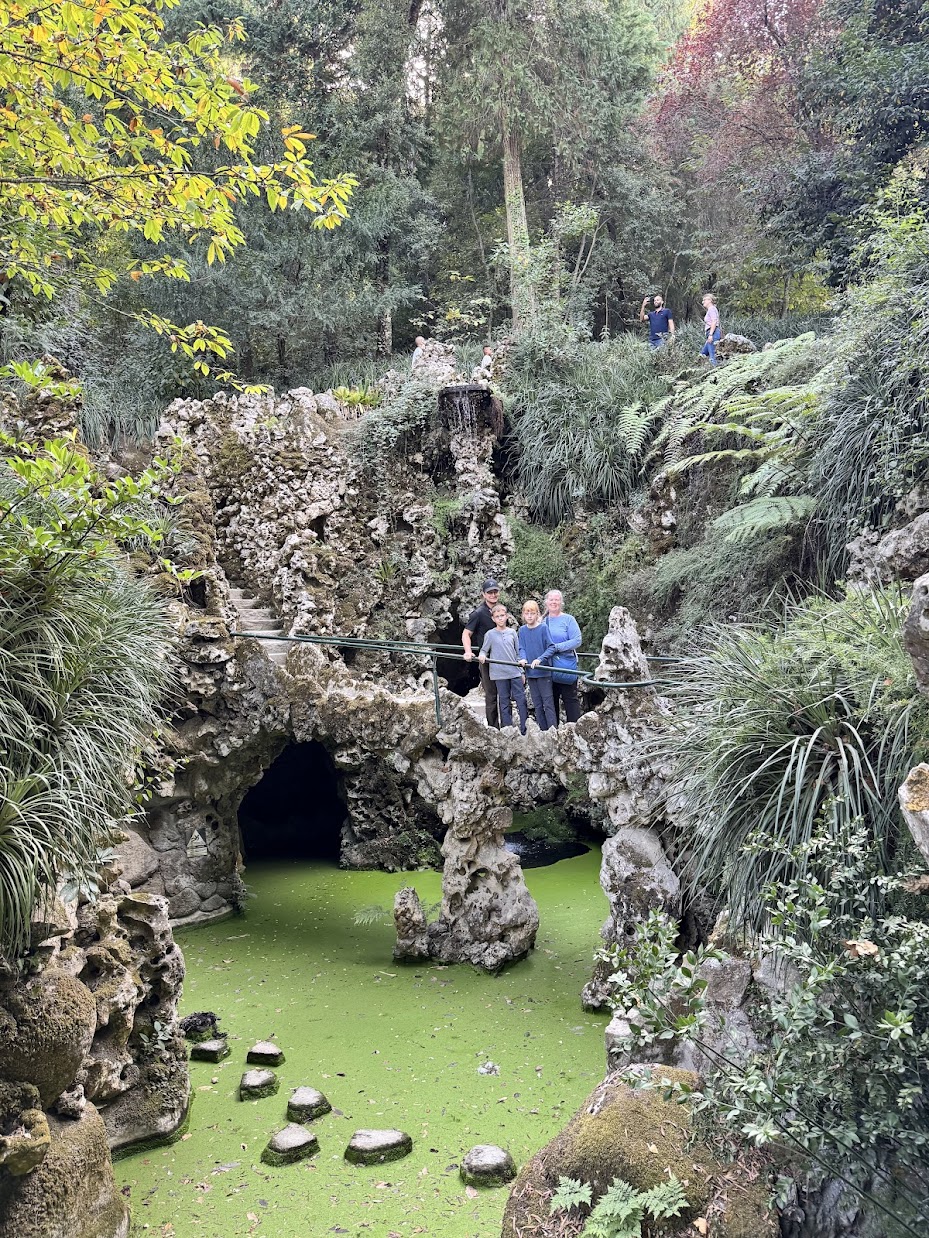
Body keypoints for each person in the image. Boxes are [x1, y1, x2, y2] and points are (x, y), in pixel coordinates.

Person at [478, 604, 528, 734]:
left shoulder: (512, 632)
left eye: (502, 615)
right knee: (504, 702)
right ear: (493, 619)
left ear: (506, 616)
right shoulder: (490, 634)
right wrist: (482, 656)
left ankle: (525, 729)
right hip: (499, 674)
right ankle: (507, 730)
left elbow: (518, 653)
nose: (500, 618)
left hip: (514, 672)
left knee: (521, 700)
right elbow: (484, 650)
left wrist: (521, 671)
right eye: (497, 616)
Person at [462, 579, 504, 727]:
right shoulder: (478, 613)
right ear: (484, 594)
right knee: (491, 694)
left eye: (495, 591)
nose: (493, 595)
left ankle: (507, 726)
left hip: (503, 658)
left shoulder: (501, 611)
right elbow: (466, 634)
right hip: (487, 659)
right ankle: (493, 727)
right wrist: (468, 651)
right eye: (489, 592)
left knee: (505, 694)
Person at [540, 590, 582, 725]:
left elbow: (577, 640)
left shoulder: (568, 620)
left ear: (561, 602)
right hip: (548, 666)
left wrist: (557, 647)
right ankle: (553, 730)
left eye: (557, 600)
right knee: (550, 700)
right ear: (546, 602)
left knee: (570, 698)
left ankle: (573, 728)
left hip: (565, 665)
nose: (554, 602)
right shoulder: (542, 621)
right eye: (551, 599)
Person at [518, 599, 557, 731]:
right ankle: (542, 730)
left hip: (544, 672)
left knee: (548, 703)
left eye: (532, 613)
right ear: (523, 615)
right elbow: (521, 647)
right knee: (537, 704)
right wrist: (523, 659)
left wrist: (540, 659)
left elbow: (551, 647)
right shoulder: (522, 630)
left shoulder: (543, 628)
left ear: (537, 614)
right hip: (531, 673)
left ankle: (552, 731)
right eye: (527, 613)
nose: (529, 616)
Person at [700, 294, 720, 366]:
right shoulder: (711, 309)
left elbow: (714, 321)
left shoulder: (711, 309)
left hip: (713, 333)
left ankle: (715, 369)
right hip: (711, 333)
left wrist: (711, 335)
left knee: (712, 356)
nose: (703, 302)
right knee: (702, 354)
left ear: (710, 300)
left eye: (704, 300)